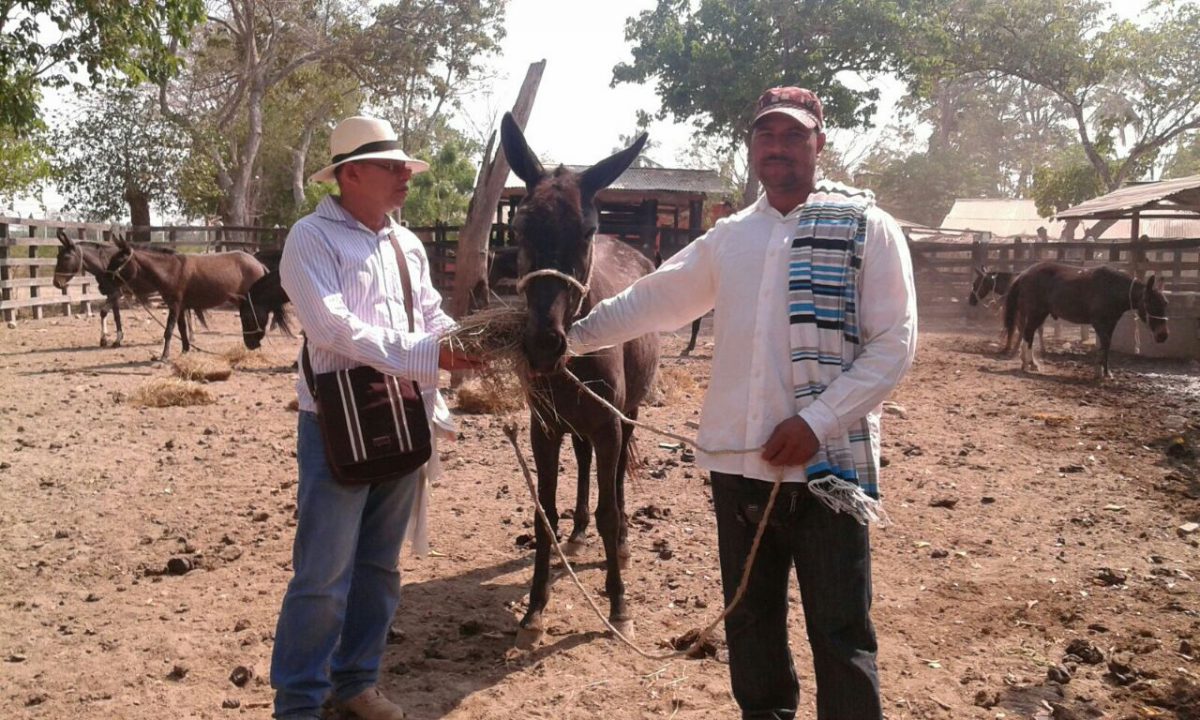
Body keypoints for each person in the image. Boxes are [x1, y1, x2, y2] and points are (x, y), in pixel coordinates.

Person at [565, 87, 917, 719]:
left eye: (792, 135)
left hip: (825, 468)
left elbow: (895, 345)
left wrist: (816, 422)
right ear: (752, 146)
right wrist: (565, 340)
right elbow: (653, 300)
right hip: (740, 467)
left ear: (819, 143)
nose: (777, 148)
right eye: (766, 136)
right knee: (751, 627)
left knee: (840, 633)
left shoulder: (868, 229)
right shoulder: (730, 237)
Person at [271, 116, 480, 720]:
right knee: (322, 575)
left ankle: (356, 680)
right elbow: (332, 328)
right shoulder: (311, 239)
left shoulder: (404, 243)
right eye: (392, 167)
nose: (404, 177)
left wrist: (468, 341)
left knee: (379, 567)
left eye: (403, 167)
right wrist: (430, 355)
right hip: (337, 420)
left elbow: (431, 315)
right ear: (350, 174)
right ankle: (300, 703)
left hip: (402, 410)